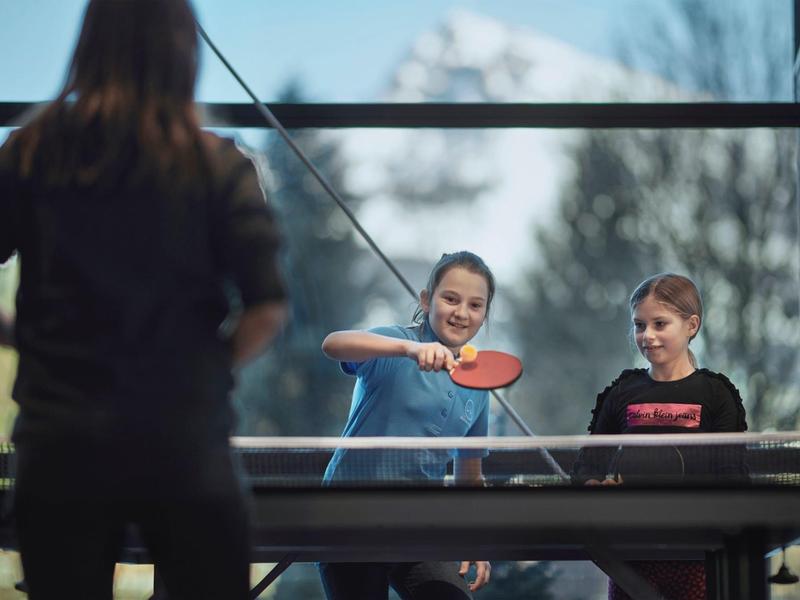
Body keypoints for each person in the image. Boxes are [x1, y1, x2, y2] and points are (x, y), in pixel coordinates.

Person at [0, 1, 287, 598]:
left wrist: (24, 338)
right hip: (184, 435)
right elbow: (266, 307)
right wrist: (206, 367)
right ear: (184, 51)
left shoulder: (30, 153)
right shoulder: (217, 164)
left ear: (88, 43)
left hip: (59, 443)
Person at [319, 251, 494, 600]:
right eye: (450, 299)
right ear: (427, 300)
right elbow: (332, 344)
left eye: (475, 305)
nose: (461, 313)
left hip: (415, 526)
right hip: (349, 518)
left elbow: (469, 476)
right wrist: (408, 349)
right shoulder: (393, 345)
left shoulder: (477, 384)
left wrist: (475, 539)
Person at [572, 273, 748, 600]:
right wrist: (595, 489)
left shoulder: (717, 393)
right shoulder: (621, 391)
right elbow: (586, 468)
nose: (647, 336)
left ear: (691, 325)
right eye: (639, 326)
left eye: (659, 324)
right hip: (631, 553)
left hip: (696, 554)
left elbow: (732, 477)